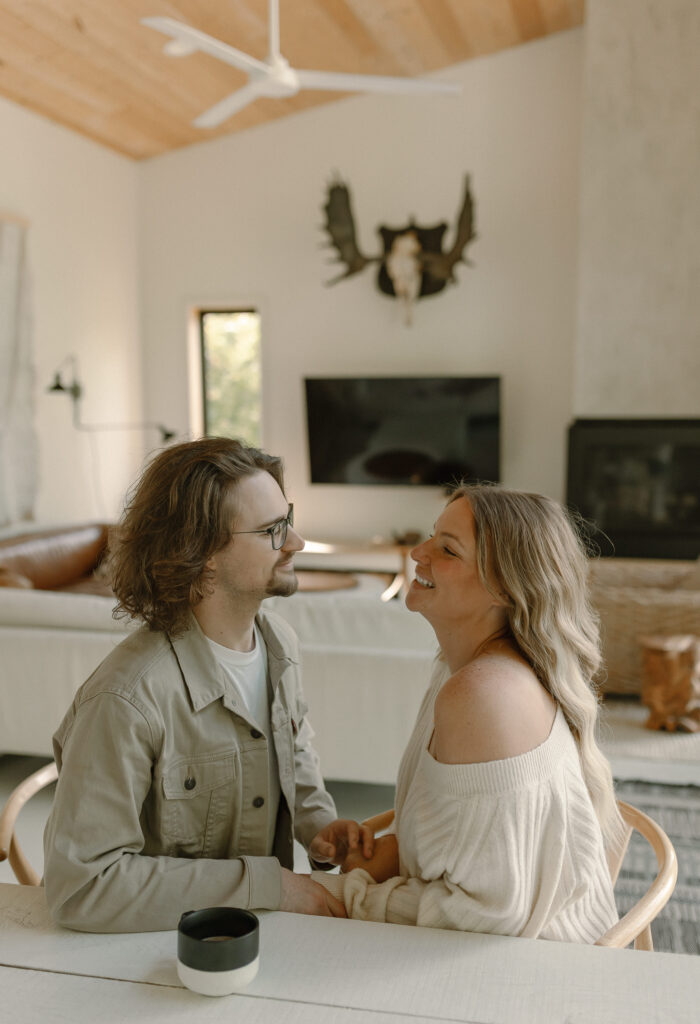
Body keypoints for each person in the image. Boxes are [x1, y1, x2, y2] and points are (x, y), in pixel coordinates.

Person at [43, 437, 372, 932]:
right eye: (272, 531)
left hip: (255, 944)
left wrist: (319, 824)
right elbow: (82, 888)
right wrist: (270, 885)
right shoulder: (127, 699)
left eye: (289, 519)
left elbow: (295, 754)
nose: (297, 543)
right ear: (203, 553)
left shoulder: (279, 643)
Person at [313, 484, 625, 942]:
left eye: (447, 549)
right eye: (431, 536)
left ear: (503, 586)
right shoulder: (460, 668)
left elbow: (482, 919)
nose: (418, 553)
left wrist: (338, 896)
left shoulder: (482, 694)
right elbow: (465, 854)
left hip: (533, 974)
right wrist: (373, 858)